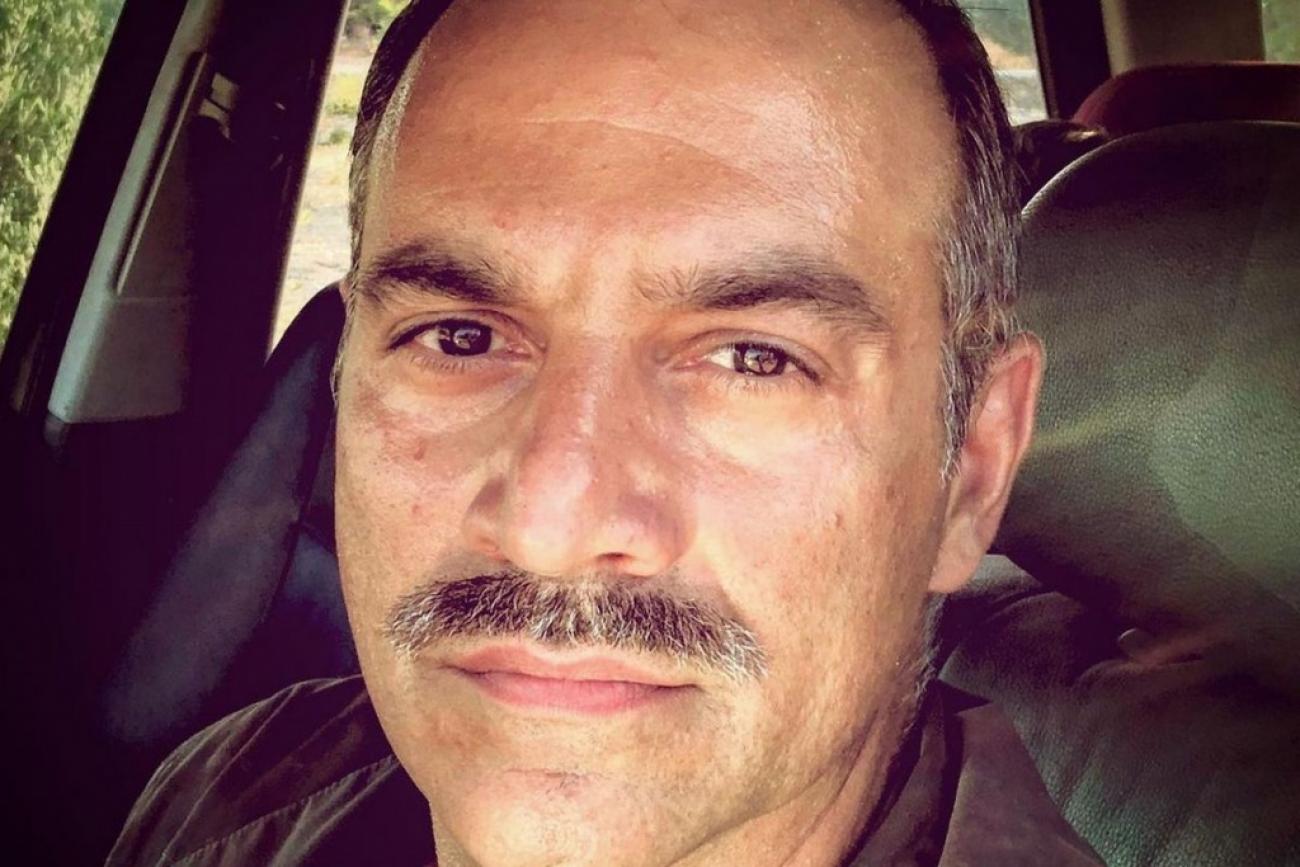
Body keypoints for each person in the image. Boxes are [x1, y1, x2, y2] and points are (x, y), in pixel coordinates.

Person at [107, 0, 1103, 864]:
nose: (549, 527)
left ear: (971, 470)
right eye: (459, 338)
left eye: (753, 359)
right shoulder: (225, 799)